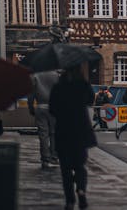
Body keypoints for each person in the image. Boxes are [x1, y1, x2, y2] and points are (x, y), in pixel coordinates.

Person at [49, 64, 96, 210]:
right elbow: (90, 100)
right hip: (81, 132)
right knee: (80, 166)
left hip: (64, 132)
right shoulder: (83, 85)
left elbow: (52, 109)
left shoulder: (58, 87)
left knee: (66, 169)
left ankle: (70, 200)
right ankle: (81, 190)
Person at [28, 69, 60, 169]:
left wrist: (31, 107)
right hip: (54, 107)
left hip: (40, 106)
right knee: (54, 133)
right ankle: (54, 157)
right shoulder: (57, 76)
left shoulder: (35, 75)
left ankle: (45, 159)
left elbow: (31, 93)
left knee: (43, 134)